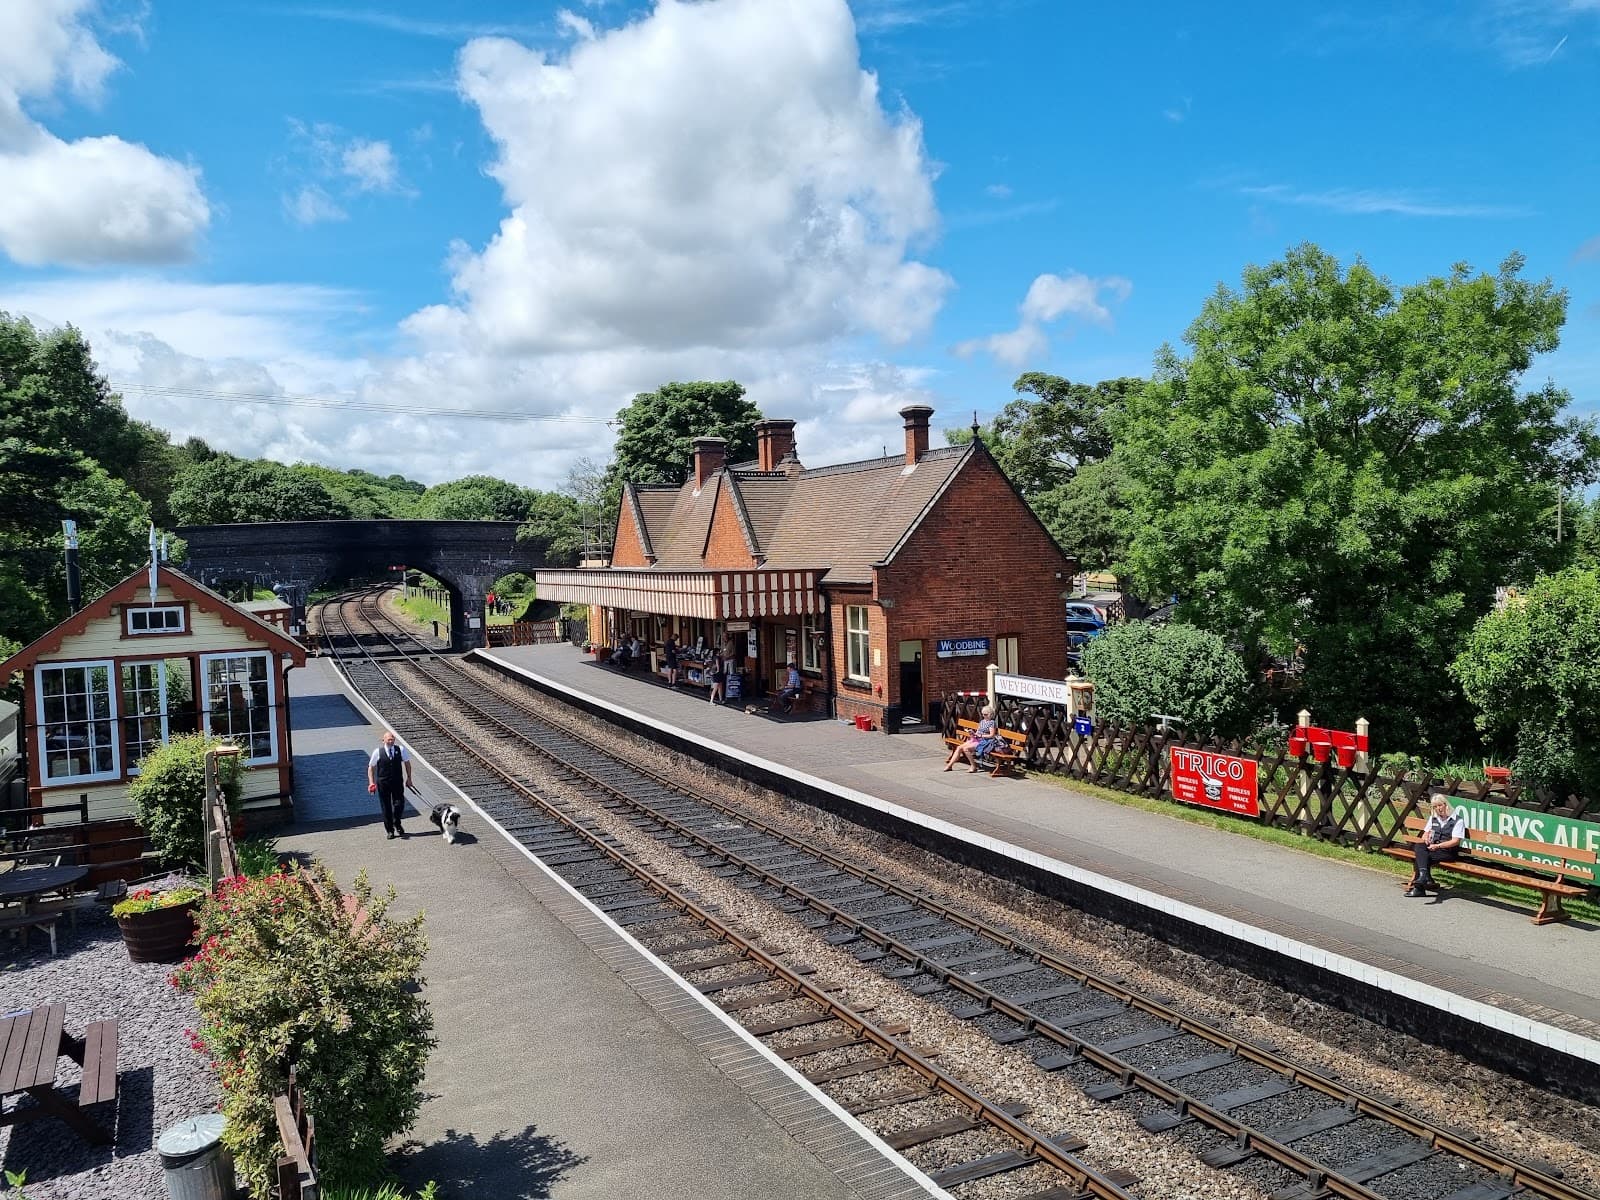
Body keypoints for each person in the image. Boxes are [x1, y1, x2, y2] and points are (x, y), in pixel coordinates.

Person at [1408, 794, 1467, 897]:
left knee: (1422, 857)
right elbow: (1425, 833)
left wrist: (1438, 846)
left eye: (1439, 805)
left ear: (1445, 805)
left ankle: (1420, 885)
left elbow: (1455, 841)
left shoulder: (1458, 820)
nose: (1438, 809)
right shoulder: (1433, 818)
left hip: (1447, 851)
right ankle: (1423, 877)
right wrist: (1426, 838)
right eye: (1435, 807)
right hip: (1432, 848)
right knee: (1419, 846)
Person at [367, 729, 415, 839]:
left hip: (397, 782)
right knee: (386, 807)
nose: (391, 742)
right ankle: (390, 830)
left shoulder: (401, 750)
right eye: (388, 740)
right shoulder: (377, 752)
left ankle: (397, 822)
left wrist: (409, 778)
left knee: (399, 804)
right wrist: (371, 782)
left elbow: (407, 764)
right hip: (383, 783)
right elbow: (371, 767)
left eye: (392, 739)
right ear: (383, 740)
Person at [945, 706, 999, 773]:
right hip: (976, 738)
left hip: (984, 741)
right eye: (983, 714)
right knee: (959, 747)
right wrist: (972, 733)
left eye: (985, 714)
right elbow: (978, 732)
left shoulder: (992, 723)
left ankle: (973, 766)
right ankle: (950, 765)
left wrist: (981, 735)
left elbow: (992, 735)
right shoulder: (982, 721)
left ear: (990, 714)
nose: (984, 716)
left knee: (966, 749)